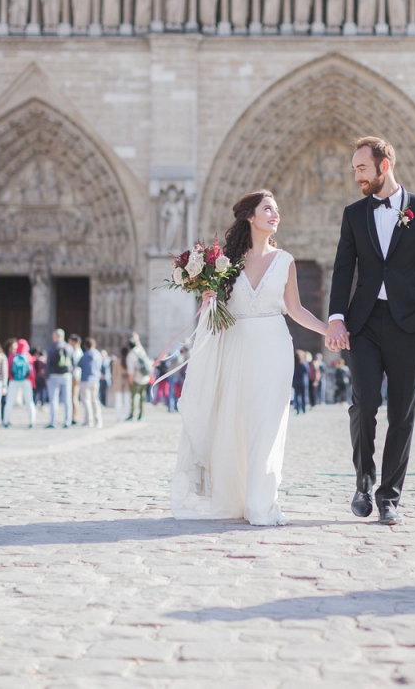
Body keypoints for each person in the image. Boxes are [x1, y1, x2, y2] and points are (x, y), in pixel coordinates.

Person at [170, 189, 327, 526]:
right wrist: (208, 294)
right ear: (250, 216)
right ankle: (238, 497)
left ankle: (260, 502)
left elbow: (295, 309)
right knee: (236, 424)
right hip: (236, 347)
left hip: (274, 347)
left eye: (277, 209)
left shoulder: (285, 260)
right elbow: (219, 307)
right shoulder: (226, 262)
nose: (275, 214)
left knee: (268, 424)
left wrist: (327, 330)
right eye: (267, 208)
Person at [326, 136, 415, 526]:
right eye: (354, 170)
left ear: (384, 166)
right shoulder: (353, 213)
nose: (357, 176)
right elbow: (344, 268)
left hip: (410, 323)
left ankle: (389, 497)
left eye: (362, 169)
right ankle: (364, 480)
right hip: (364, 323)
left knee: (403, 414)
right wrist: (336, 317)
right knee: (363, 405)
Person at [3, 339, 36, 429]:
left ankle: (5, 420)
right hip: (26, 380)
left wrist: (11, 378)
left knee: (9, 401)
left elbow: (8, 368)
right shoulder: (28, 356)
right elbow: (32, 371)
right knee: (29, 401)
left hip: (14, 380)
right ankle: (32, 421)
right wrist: (32, 382)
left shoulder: (12, 356)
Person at [45, 329, 75, 429]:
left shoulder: (52, 348)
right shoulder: (69, 347)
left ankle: (53, 422)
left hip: (54, 376)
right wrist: (71, 373)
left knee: (54, 400)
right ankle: (67, 421)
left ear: (55, 336)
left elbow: (48, 363)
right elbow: (74, 362)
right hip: (66, 376)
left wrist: (47, 375)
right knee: (67, 400)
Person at [78, 337, 103, 428]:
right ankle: (98, 420)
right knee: (95, 400)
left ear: (85, 346)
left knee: (86, 401)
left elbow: (79, 364)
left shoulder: (85, 355)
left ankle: (89, 420)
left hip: (86, 379)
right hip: (95, 380)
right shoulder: (98, 354)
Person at [126, 334, 152, 421]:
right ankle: (141, 415)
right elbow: (139, 345)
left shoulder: (131, 355)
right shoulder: (140, 350)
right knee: (142, 397)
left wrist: (130, 380)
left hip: (136, 379)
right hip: (145, 378)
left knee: (134, 397)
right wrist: (137, 339)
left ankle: (133, 414)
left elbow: (130, 370)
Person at [112, 348, 131, 422]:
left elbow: (114, 374)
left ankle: (118, 416)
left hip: (118, 382)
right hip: (127, 382)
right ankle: (126, 415)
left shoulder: (117, 362)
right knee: (127, 400)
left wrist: (113, 383)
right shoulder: (129, 361)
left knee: (118, 400)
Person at [68, 334, 83, 425]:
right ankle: (73, 415)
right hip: (75, 375)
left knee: (74, 397)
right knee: (73, 397)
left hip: (75, 376)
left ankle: (75, 417)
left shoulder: (77, 352)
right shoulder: (77, 351)